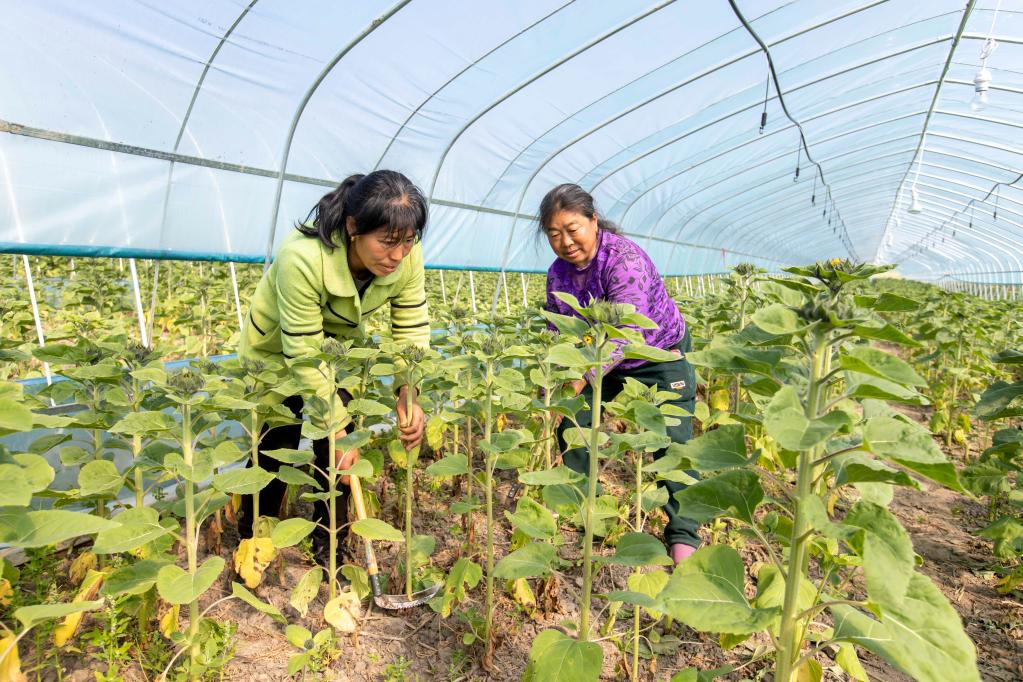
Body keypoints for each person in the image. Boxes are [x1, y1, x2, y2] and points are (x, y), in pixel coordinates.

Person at [236, 170, 430, 565]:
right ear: (354, 227)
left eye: (408, 241)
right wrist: (334, 425)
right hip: (276, 351)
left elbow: (410, 328)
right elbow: (303, 351)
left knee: (342, 451)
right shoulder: (301, 256)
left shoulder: (407, 257)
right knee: (278, 439)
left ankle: (332, 550)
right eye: (388, 242)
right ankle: (253, 541)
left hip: (337, 350)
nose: (398, 254)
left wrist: (409, 393)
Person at [540, 183, 700, 565]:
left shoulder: (622, 259)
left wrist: (580, 376)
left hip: (657, 356)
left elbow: (629, 333)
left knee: (672, 445)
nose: (565, 241)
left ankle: (684, 539)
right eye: (554, 234)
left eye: (572, 228)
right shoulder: (558, 274)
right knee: (573, 424)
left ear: (594, 221)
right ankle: (586, 510)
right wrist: (559, 376)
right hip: (600, 360)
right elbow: (557, 328)